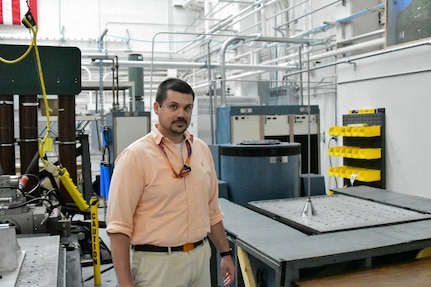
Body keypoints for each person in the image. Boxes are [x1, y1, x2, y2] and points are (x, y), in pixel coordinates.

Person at [106, 78, 236, 287]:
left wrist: (225, 253)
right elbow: (119, 226)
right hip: (157, 265)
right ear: (157, 108)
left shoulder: (201, 150)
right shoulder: (135, 156)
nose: (181, 114)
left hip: (200, 258)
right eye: (173, 106)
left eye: (187, 108)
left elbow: (212, 210)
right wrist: (125, 283)